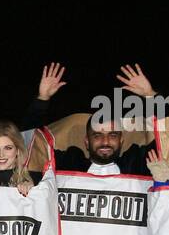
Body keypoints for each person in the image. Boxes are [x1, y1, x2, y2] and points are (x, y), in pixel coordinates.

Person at [20, 63, 159, 176]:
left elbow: (167, 137)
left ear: (121, 140)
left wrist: (150, 95)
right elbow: (31, 142)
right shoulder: (67, 164)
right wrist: (42, 99)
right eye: (97, 135)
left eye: (112, 135)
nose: (105, 142)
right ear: (86, 141)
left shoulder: (139, 165)